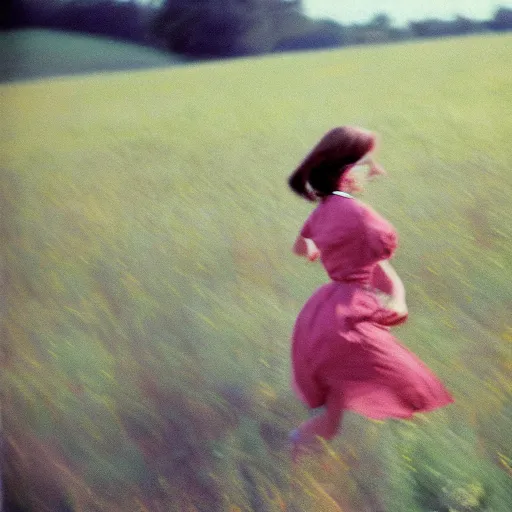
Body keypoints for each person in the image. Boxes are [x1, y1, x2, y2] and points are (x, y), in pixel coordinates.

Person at [288, 126, 454, 460]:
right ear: (346, 172)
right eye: (368, 164)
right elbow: (379, 252)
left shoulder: (320, 213)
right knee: (414, 386)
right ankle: (425, 458)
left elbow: (300, 246)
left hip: (323, 316)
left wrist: (319, 252)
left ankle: (290, 452)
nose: (376, 171)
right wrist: (395, 296)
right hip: (350, 317)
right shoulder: (361, 216)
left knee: (332, 419)